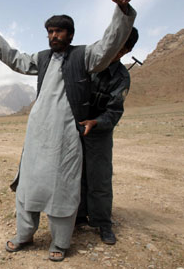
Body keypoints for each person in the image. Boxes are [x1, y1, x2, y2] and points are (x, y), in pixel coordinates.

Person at [0, 0, 136, 261]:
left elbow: (108, 46)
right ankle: (24, 235)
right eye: (50, 31)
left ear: (70, 35)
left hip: (66, 135)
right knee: (29, 184)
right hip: (38, 134)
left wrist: (121, 13)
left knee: (63, 186)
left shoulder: (84, 56)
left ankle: (61, 242)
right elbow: (17, 60)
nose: (53, 36)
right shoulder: (42, 58)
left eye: (59, 32)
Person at [77, 27, 139, 245]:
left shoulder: (122, 77)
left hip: (99, 133)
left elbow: (114, 112)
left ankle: (102, 222)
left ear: (126, 50)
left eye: (121, 48)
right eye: (112, 44)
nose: (114, 51)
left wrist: (95, 123)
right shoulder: (88, 62)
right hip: (75, 129)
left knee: (100, 178)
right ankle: (77, 216)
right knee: (75, 174)